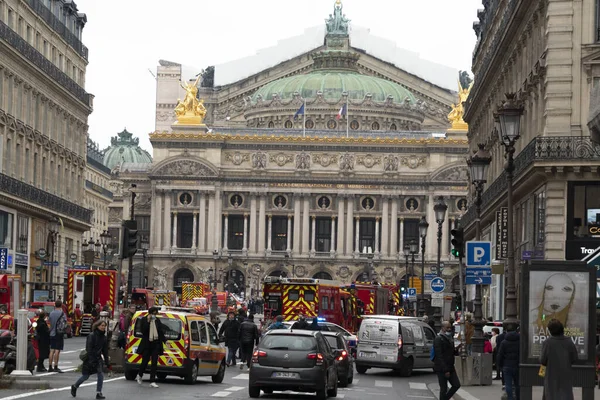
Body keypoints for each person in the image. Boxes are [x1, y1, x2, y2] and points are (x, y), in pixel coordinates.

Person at [71, 320, 110, 399]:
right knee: (85, 376)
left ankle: (98, 393)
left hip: (98, 359)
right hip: (90, 359)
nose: (103, 327)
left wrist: (107, 362)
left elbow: (105, 351)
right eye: (102, 325)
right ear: (97, 326)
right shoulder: (91, 335)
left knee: (100, 375)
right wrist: (92, 360)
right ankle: (75, 386)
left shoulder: (104, 337)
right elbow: (89, 349)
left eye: (104, 326)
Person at [540, 319, 578, 400]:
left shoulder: (547, 343)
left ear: (550, 331)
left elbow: (542, 360)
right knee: (565, 394)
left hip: (551, 375)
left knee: (551, 394)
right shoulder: (569, 341)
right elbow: (574, 358)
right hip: (565, 374)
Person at [136, 307, 166, 388]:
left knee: (154, 362)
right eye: (153, 313)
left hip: (155, 344)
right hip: (147, 344)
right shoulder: (144, 320)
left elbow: (160, 331)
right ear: (149, 313)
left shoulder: (157, 321)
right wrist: (148, 322)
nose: (154, 315)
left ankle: (152, 380)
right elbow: (143, 330)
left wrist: (164, 340)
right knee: (145, 361)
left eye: (155, 313)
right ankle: (140, 375)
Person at [433, 321, 461, 400]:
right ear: (442, 328)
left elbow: (451, 352)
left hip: (450, 366)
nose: (449, 329)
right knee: (443, 388)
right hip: (442, 368)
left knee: (456, 385)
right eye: (447, 327)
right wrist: (445, 370)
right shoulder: (439, 338)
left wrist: (456, 349)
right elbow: (439, 355)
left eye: (450, 327)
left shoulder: (450, 338)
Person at [497, 324, 520, 400]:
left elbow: (500, 355)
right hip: (517, 365)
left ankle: (510, 398)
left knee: (508, 384)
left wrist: (500, 365)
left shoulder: (504, 342)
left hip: (507, 365)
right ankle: (518, 397)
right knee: (517, 384)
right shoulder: (519, 341)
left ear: (506, 331)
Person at [48, 300, 67, 373]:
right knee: (57, 350)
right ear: (61, 305)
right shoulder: (62, 313)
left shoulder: (51, 313)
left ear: (55, 305)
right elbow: (65, 324)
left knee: (52, 350)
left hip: (52, 333)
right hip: (59, 333)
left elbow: (50, 322)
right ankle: (55, 366)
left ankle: (50, 366)